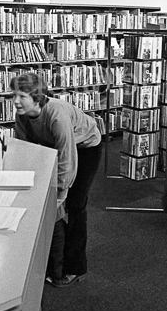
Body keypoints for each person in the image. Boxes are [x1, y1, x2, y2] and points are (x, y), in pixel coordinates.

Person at [10, 72, 102, 287]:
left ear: (37, 98)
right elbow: (27, 151)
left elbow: (66, 160)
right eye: (14, 95)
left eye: (22, 96)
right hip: (51, 147)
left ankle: (75, 267)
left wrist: (59, 198)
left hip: (86, 147)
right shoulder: (22, 115)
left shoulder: (57, 115)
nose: (15, 101)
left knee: (75, 204)